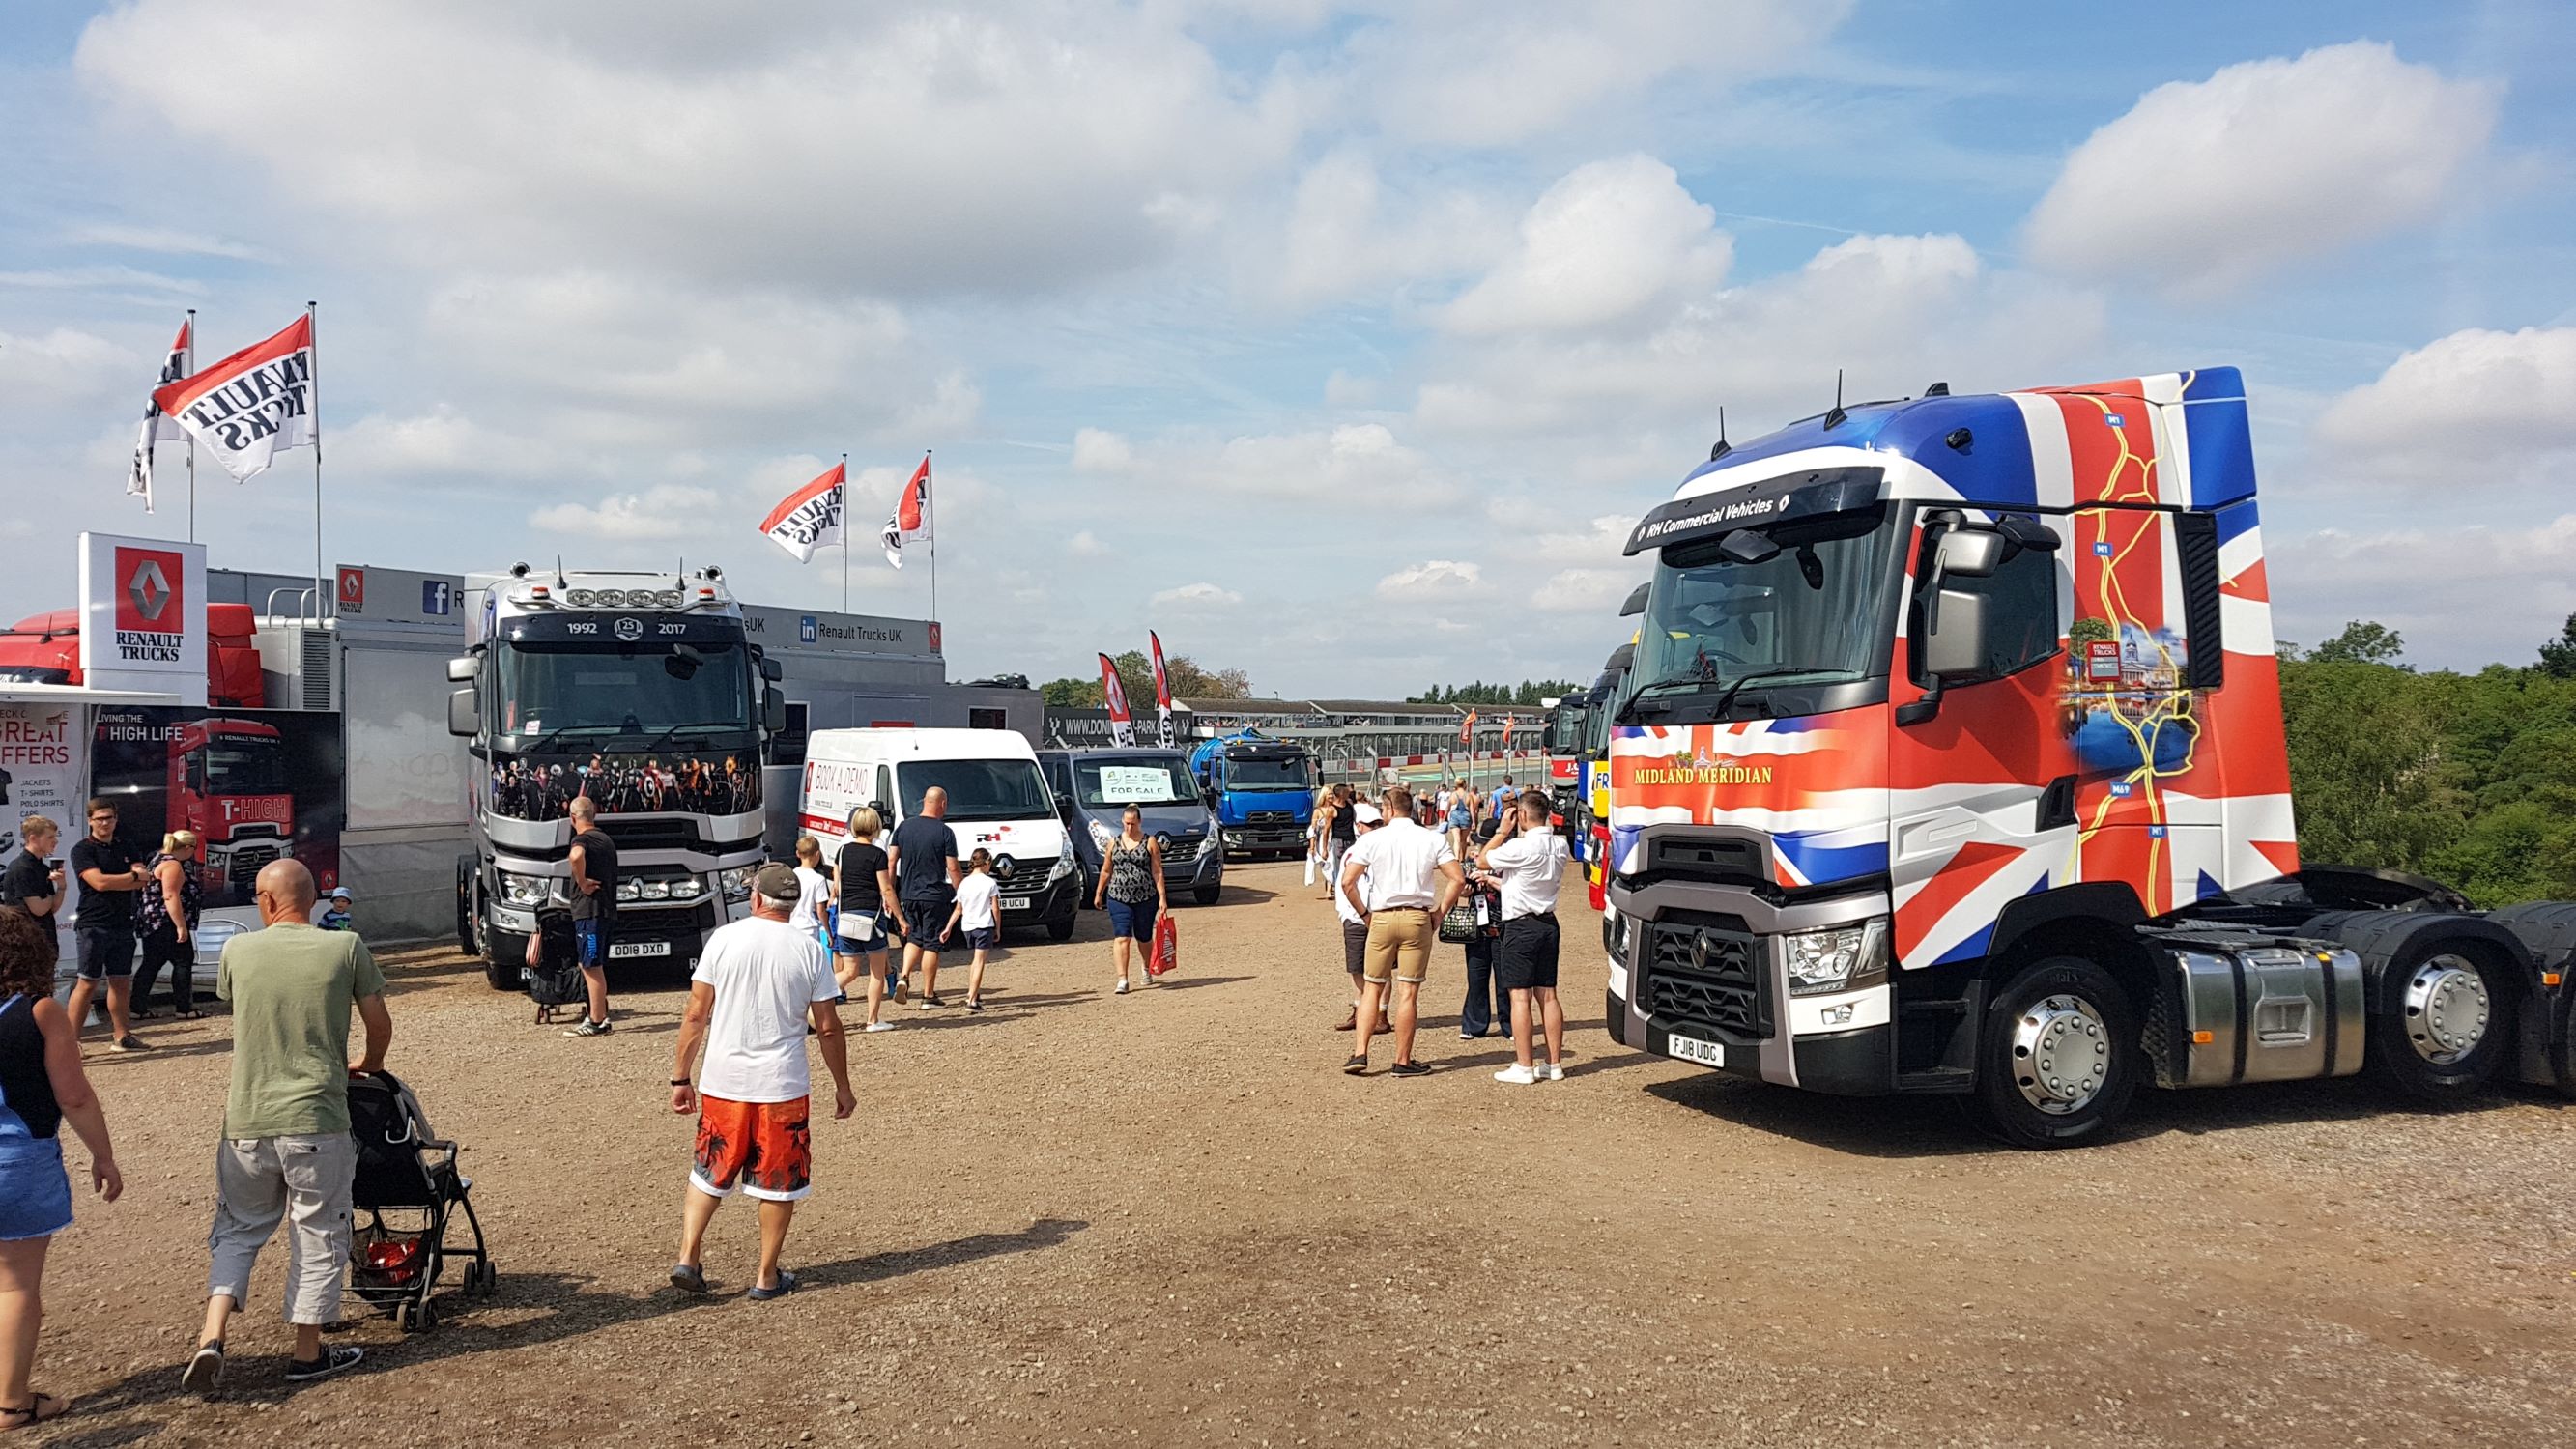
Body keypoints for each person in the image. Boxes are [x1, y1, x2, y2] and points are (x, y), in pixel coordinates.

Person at [179, 859, 392, 1394]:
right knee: (318, 1230)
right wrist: (369, 1063)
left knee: (237, 1227)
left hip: (247, 1119)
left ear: (268, 902)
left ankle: (212, 1333)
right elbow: (379, 1022)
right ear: (314, 899)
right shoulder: (344, 947)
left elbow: (234, 999)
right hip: (317, 1117)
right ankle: (306, 1353)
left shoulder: (239, 950)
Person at [666, 864, 854, 1300]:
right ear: (794, 905)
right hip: (782, 1084)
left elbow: (696, 1013)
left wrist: (681, 1076)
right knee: (779, 1180)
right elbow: (827, 1026)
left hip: (723, 1081)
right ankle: (766, 1276)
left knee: (709, 1170)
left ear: (754, 900)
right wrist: (842, 1085)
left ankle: (688, 1256)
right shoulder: (809, 950)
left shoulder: (725, 939)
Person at [0, 906, 122, 1432]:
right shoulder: (40, 1012)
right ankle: (10, 1402)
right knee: (15, 1284)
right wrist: (103, 1155)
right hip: (18, 1159)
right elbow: (72, 1096)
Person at [1337, 785, 1464, 1078]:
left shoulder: (1373, 839)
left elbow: (1347, 882)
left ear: (1390, 810)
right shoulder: (1432, 839)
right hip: (1418, 917)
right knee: (1408, 992)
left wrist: (1365, 914)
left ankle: (1360, 1053)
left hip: (1381, 917)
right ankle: (1402, 1060)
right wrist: (1439, 913)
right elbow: (1457, 878)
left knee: (1372, 986)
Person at [1480, 791, 1570, 1084]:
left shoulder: (1519, 846)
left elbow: (1483, 860)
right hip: (1547, 922)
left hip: (1520, 926)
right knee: (1548, 994)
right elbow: (1521, 881)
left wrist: (1502, 831)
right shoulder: (1559, 844)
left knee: (1520, 996)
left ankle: (1524, 1065)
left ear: (1520, 815)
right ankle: (1553, 1063)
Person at [64, 801, 151, 1052]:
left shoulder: (127, 845)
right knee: (88, 982)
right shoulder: (82, 850)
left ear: (116, 819)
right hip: (93, 924)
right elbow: (99, 883)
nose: (105, 823)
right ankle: (71, 1043)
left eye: (109, 818)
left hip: (123, 923)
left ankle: (122, 1036)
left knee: (121, 981)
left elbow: (142, 879)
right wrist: (132, 877)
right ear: (90, 820)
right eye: (100, 818)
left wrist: (130, 878)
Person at [887, 787, 960, 1009]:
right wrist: (962, 892)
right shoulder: (945, 832)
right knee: (932, 944)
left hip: (908, 894)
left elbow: (891, 861)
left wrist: (890, 891)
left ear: (923, 802)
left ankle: (905, 976)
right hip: (934, 896)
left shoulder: (903, 827)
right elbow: (953, 868)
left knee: (913, 938)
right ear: (943, 804)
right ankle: (928, 995)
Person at [830, 808, 899, 1033]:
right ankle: (872, 1019)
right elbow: (886, 888)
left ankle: (816, 998)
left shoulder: (842, 852)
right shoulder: (877, 854)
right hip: (871, 916)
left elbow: (837, 887)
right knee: (876, 972)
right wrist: (900, 917)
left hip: (847, 916)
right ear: (875, 827)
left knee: (849, 971)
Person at [1092, 806, 1166, 994]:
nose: (1129, 828)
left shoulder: (1150, 842)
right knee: (1122, 937)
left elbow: (1157, 871)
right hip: (1118, 896)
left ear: (1139, 822)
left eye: (1133, 823)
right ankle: (1122, 979)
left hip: (1145, 897)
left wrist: (1162, 898)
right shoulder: (1113, 843)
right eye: (1126, 823)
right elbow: (1107, 870)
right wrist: (1099, 892)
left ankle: (1146, 967)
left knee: (1144, 936)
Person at [131, 831, 205, 1021]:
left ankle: (137, 1007)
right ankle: (184, 1008)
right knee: (183, 961)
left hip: (151, 922)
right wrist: (181, 926)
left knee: (151, 962)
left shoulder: (156, 858)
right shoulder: (172, 865)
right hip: (166, 921)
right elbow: (170, 896)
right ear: (188, 848)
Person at [1331, 803, 1390, 1034]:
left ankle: (1381, 1014)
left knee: (1383, 969)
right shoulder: (1351, 853)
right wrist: (1346, 913)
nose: (1375, 828)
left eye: (1378, 824)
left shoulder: (1387, 849)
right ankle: (1360, 1010)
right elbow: (1343, 883)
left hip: (1381, 915)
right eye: (1370, 825)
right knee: (1356, 967)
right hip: (1355, 918)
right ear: (1359, 827)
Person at [563, 795, 618, 1038]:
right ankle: (599, 1013)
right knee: (594, 964)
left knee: (591, 964)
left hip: (589, 911)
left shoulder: (582, 839)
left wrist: (582, 881)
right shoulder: (605, 840)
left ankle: (597, 1020)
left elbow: (575, 856)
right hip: (606, 910)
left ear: (573, 818)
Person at [0, 818, 62, 970]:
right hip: (26, 943)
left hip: (44, 939)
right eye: (50, 837)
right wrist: (48, 898)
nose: (55, 841)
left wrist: (62, 887)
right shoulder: (22, 868)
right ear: (33, 838)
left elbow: (52, 908)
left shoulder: (42, 868)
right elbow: (38, 908)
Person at [946, 849, 1000, 1012]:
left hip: (968, 927)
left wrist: (948, 928)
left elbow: (958, 909)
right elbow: (995, 908)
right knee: (979, 962)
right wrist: (997, 928)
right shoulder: (990, 882)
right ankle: (971, 1000)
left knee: (974, 961)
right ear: (987, 863)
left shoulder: (964, 883)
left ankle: (972, 992)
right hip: (984, 925)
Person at [787, 836, 830, 952]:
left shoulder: (791, 875)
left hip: (791, 927)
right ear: (817, 854)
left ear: (797, 853)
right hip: (809, 929)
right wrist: (828, 932)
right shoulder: (818, 879)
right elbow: (821, 911)